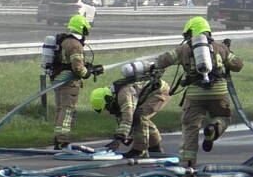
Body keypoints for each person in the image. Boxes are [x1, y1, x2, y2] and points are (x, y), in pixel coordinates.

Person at [153, 17, 243, 167]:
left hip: (195, 94)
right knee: (223, 117)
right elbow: (238, 65)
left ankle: (187, 162)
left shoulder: (184, 49)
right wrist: (228, 51)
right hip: (219, 92)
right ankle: (214, 128)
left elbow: (164, 60)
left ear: (191, 32)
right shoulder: (220, 47)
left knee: (190, 127)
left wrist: (154, 65)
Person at [89, 65, 170, 158]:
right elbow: (124, 120)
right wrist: (123, 136)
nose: (109, 111)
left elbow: (128, 118)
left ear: (108, 99)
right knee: (140, 119)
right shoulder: (115, 95)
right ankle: (155, 148)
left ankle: (139, 150)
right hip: (151, 92)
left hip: (160, 92)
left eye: (107, 107)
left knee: (140, 116)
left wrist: (118, 139)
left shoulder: (124, 95)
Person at [47, 14, 102, 149]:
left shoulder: (65, 40)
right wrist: (87, 73)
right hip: (68, 82)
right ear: (82, 28)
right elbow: (77, 67)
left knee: (61, 109)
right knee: (67, 110)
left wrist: (89, 67)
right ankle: (62, 141)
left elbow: (68, 61)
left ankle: (58, 139)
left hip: (58, 79)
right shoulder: (75, 44)